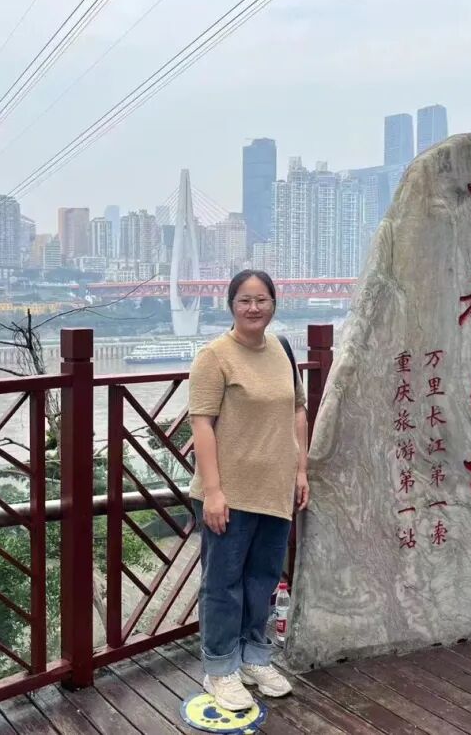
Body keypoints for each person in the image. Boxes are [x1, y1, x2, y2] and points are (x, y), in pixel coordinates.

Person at [188, 269, 309, 711]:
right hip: (230, 493)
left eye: (262, 300)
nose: (253, 308)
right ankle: (219, 668)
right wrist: (213, 492)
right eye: (244, 300)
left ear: (274, 304)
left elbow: (298, 410)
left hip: (275, 490)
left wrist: (301, 470)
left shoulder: (281, 349)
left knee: (262, 580)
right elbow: (201, 424)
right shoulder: (214, 356)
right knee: (223, 584)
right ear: (231, 306)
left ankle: (254, 657)